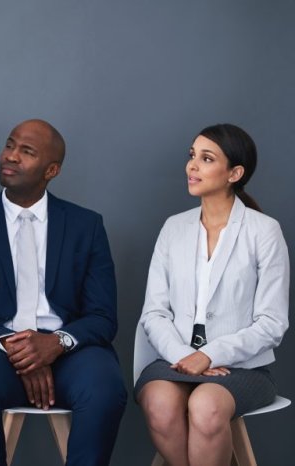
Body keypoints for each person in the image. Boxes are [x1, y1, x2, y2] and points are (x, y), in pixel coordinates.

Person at [0, 119, 126, 466]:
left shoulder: (86, 226)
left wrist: (55, 343)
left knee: (105, 390)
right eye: (10, 145)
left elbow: (103, 317)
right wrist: (21, 350)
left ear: (51, 170)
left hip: (72, 351)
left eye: (26, 152)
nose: (10, 156)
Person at [136, 124, 289, 466]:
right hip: (174, 360)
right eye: (192, 156)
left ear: (235, 172)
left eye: (206, 159)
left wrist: (210, 355)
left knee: (205, 407)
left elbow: (272, 324)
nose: (193, 166)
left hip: (242, 368)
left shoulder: (264, 232)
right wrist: (183, 357)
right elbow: (154, 313)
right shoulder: (174, 228)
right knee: (159, 404)